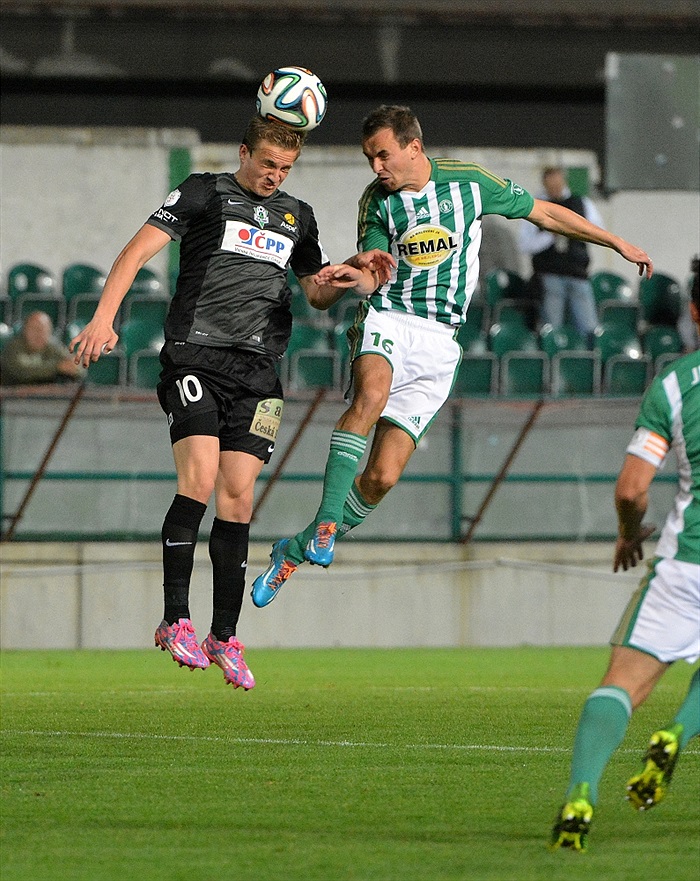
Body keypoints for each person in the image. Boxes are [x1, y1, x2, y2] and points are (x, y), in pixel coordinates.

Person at [251, 104, 654, 607]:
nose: (376, 167)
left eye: (382, 155)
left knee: (381, 478)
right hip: (390, 317)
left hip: (442, 341)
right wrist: (359, 276)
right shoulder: (376, 201)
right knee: (370, 397)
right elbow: (377, 267)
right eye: (368, 158)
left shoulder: (469, 183)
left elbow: (545, 212)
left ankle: (294, 548)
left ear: (413, 148)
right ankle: (328, 524)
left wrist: (615, 241)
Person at [70, 115, 391, 689]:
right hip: (195, 357)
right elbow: (134, 252)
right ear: (244, 152)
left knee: (238, 498)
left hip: (258, 372)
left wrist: (348, 274)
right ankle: (175, 620)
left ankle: (224, 636)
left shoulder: (299, 215)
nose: (274, 175)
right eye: (266, 163)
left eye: (284, 168)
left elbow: (315, 293)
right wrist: (103, 318)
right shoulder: (203, 191)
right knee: (198, 478)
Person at [550, 258, 699, 852]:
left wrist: (628, 532)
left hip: (684, 563)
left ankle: (579, 796)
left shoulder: (672, 385)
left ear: (693, 312)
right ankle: (677, 736)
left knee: (621, 685)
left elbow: (632, 488)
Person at [519, 166, 603, 345]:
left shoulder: (581, 203)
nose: (555, 189)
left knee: (588, 328)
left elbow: (598, 231)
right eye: (551, 185)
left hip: (578, 274)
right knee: (552, 329)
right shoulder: (536, 205)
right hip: (550, 275)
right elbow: (525, 244)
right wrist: (551, 234)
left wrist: (573, 229)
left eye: (558, 184)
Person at [0, 310, 85, 386]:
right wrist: (57, 367)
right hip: (13, 397)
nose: (38, 334)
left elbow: (78, 368)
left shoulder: (53, 347)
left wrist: (73, 367)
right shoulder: (14, 348)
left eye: (43, 330)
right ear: (25, 330)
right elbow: (23, 370)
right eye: (34, 329)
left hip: (47, 399)